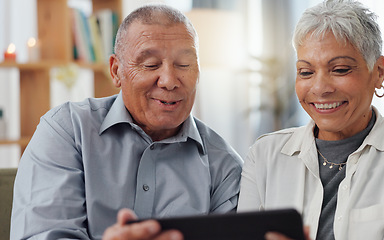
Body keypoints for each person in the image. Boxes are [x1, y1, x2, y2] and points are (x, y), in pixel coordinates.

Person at [11, 4, 243, 240]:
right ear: (116, 71)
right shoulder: (67, 131)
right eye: (151, 64)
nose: (169, 81)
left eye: (184, 65)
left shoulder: (224, 166)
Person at [237, 0, 384, 240]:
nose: (319, 88)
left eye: (340, 69)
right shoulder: (264, 155)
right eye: (306, 72)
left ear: (378, 72)